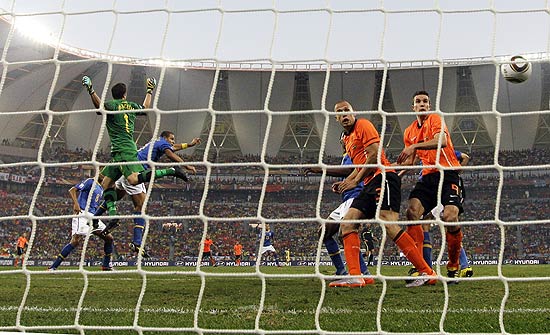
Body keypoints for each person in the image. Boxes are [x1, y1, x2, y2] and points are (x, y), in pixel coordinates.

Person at [329, 100, 436, 288]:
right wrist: (347, 182)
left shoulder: (363, 125)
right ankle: (357, 276)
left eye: (347, 110)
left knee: (389, 224)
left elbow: (374, 155)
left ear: (353, 112)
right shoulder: (347, 139)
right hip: (370, 183)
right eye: (340, 112)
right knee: (347, 223)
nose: (344, 114)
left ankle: (427, 272)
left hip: (384, 177)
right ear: (336, 117)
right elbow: (360, 165)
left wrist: (355, 180)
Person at [81, 76, 188, 238]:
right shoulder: (130, 105)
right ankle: (113, 215)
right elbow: (145, 108)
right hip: (118, 152)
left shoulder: (111, 104)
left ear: (114, 94)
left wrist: (91, 90)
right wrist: (149, 90)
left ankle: (171, 171)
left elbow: (99, 107)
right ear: (124, 94)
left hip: (124, 150)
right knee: (105, 184)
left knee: (132, 180)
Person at [93, 130, 200, 258]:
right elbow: (170, 153)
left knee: (116, 196)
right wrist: (186, 165)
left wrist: (190, 145)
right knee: (141, 208)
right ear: (164, 138)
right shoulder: (162, 144)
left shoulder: (157, 143)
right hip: (136, 171)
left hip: (126, 169)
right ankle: (137, 243)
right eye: (171, 138)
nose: (173, 141)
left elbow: (174, 147)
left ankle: (95, 217)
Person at [397, 90, 464, 282]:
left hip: (448, 173)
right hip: (428, 178)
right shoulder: (409, 131)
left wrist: (415, 147)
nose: (422, 104)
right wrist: (392, 174)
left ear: (429, 105)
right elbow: (409, 163)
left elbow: (441, 141)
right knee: (412, 212)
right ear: (413, 107)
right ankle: (424, 269)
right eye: (418, 101)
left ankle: (453, 266)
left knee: (450, 217)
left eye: (425, 101)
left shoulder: (435, 119)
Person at [304, 144, 372, 277]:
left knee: (345, 234)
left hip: (356, 197)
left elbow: (352, 170)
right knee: (324, 232)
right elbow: (349, 174)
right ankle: (341, 271)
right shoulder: (346, 156)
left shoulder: (356, 151)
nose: (343, 142)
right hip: (346, 199)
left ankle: (363, 272)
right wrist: (342, 186)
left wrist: (322, 169)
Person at [49, 176, 115, 271]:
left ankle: (106, 265)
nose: (104, 175)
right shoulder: (90, 181)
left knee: (109, 238)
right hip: (82, 213)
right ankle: (53, 267)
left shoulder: (101, 188)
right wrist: (76, 204)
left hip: (93, 216)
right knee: (75, 241)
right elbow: (72, 190)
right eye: (102, 173)